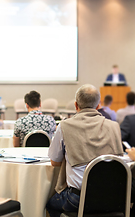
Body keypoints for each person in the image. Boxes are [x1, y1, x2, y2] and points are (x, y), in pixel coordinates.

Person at [46, 84, 123, 217]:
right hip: (114, 197)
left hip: (78, 198)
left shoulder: (64, 126)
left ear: (76, 106)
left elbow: (54, 162)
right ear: (98, 105)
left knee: (50, 204)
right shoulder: (114, 126)